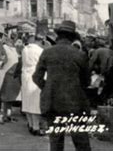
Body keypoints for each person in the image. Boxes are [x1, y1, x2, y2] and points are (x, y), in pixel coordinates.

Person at [32, 20, 91, 151]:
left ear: (58, 36)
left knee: (56, 143)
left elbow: (36, 77)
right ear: (73, 37)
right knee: (81, 142)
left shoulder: (47, 52)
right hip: (75, 103)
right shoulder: (80, 55)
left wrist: (48, 87)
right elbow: (87, 82)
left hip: (52, 102)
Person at [21, 34, 45, 136]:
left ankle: (30, 125)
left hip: (25, 75)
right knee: (35, 103)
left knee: (27, 101)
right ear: (41, 41)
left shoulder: (25, 49)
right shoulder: (40, 51)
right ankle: (35, 127)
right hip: (35, 75)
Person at [0, 33, 21, 123]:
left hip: (12, 76)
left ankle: (8, 115)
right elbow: (0, 61)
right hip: (3, 74)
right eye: (11, 37)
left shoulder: (16, 49)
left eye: (14, 37)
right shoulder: (3, 47)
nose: (13, 39)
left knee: (10, 97)